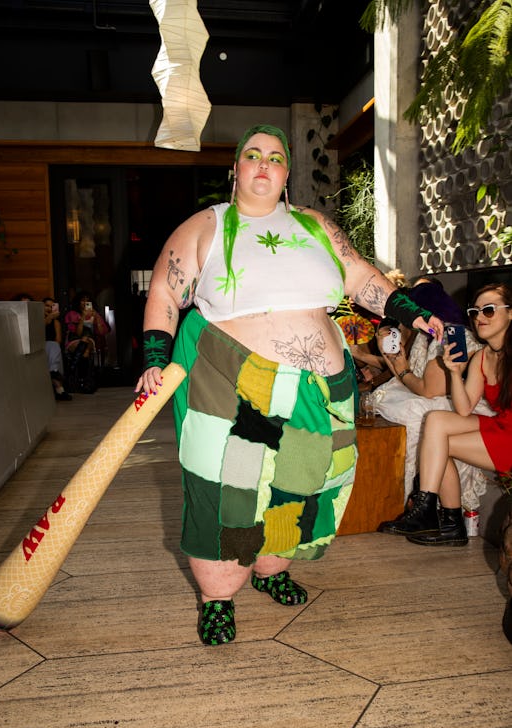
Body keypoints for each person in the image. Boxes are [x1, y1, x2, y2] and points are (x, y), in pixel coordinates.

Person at [136, 124, 443, 646]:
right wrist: (154, 359)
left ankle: (271, 569)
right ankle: (218, 598)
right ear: (235, 170)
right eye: (252, 155)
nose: (263, 164)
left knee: (303, 480)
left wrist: (413, 312)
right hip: (230, 380)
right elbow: (166, 291)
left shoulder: (315, 225)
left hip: (318, 387)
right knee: (228, 490)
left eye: (275, 158)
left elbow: (362, 279)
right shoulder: (205, 228)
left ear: (286, 173)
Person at [382, 283, 512, 547]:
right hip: (502, 425)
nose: (479, 318)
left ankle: (435, 514)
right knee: (436, 420)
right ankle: (445, 519)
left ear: (510, 314)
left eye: (488, 310)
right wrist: (454, 371)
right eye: (475, 311)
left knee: (438, 440)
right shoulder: (482, 357)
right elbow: (463, 409)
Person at [373, 280, 489, 512]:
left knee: (419, 416)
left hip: (461, 405)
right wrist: (392, 359)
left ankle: (419, 503)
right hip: (444, 402)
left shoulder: (455, 336)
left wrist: (400, 367)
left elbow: (429, 390)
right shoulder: (425, 336)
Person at [64, 291, 109, 394]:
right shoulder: (72, 314)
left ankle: (71, 373)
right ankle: (84, 382)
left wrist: (96, 317)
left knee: (86, 340)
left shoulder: (95, 313)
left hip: (90, 340)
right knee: (85, 349)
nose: (85, 302)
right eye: (83, 300)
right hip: (74, 340)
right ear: (78, 302)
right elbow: (78, 333)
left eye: (87, 300)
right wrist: (83, 317)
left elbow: (102, 332)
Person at [43, 297, 72, 401]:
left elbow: (58, 340)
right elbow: (37, 330)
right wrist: (49, 317)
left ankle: (54, 371)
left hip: (50, 349)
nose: (49, 308)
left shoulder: (56, 323)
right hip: (39, 346)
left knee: (54, 346)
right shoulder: (37, 319)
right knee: (53, 347)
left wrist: (52, 318)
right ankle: (60, 389)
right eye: (47, 305)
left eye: (52, 306)